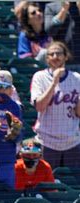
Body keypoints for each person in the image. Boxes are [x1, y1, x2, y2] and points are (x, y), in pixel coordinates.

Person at [31, 41, 80, 169]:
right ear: (46, 58)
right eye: (50, 54)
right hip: (47, 142)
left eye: (58, 53)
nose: (54, 56)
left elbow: (78, 113)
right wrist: (54, 82)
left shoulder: (77, 78)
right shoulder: (39, 77)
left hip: (72, 142)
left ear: (66, 56)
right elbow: (39, 107)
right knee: (47, 186)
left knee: (73, 185)